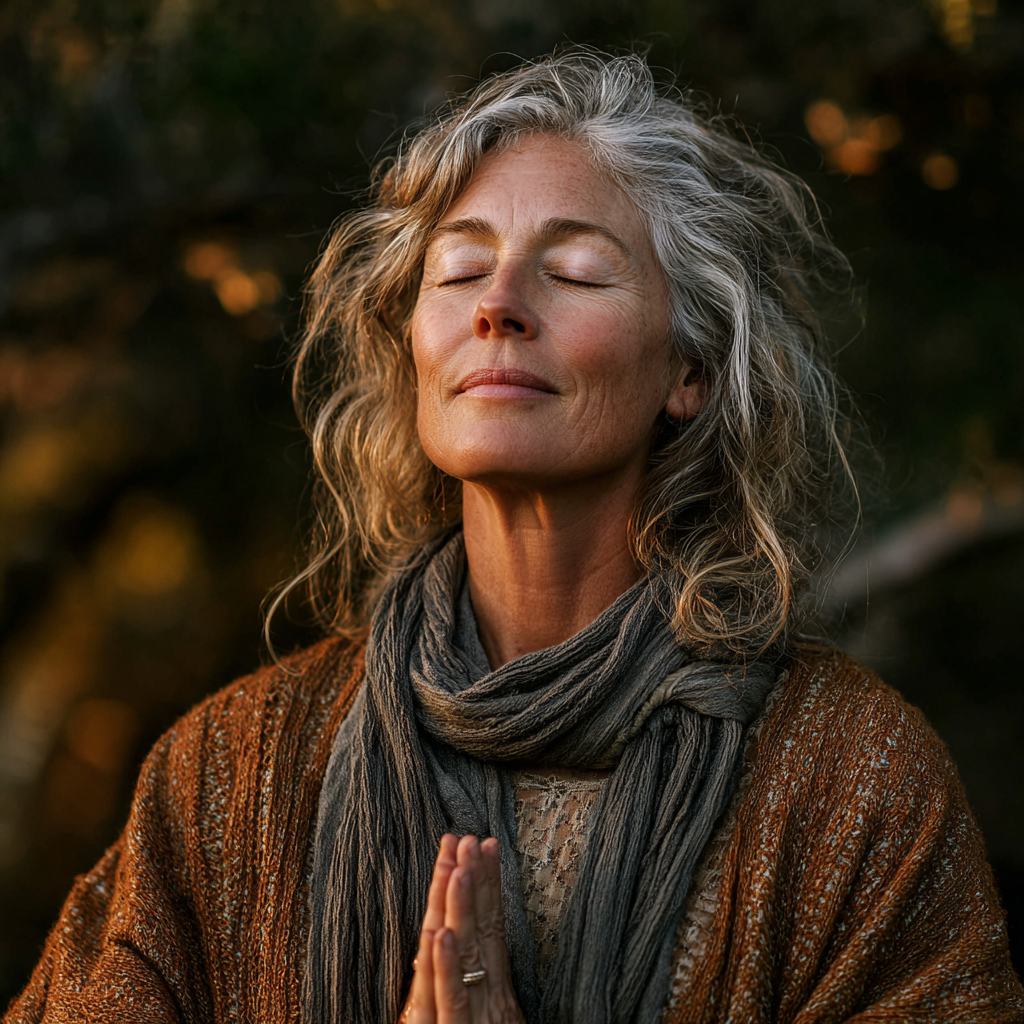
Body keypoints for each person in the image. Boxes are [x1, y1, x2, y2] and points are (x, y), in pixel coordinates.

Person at [5, 49, 1022, 1024]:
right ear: (410, 355)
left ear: (691, 370)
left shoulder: (850, 776)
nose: (498, 305)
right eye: (458, 271)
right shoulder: (232, 773)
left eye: (575, 271)